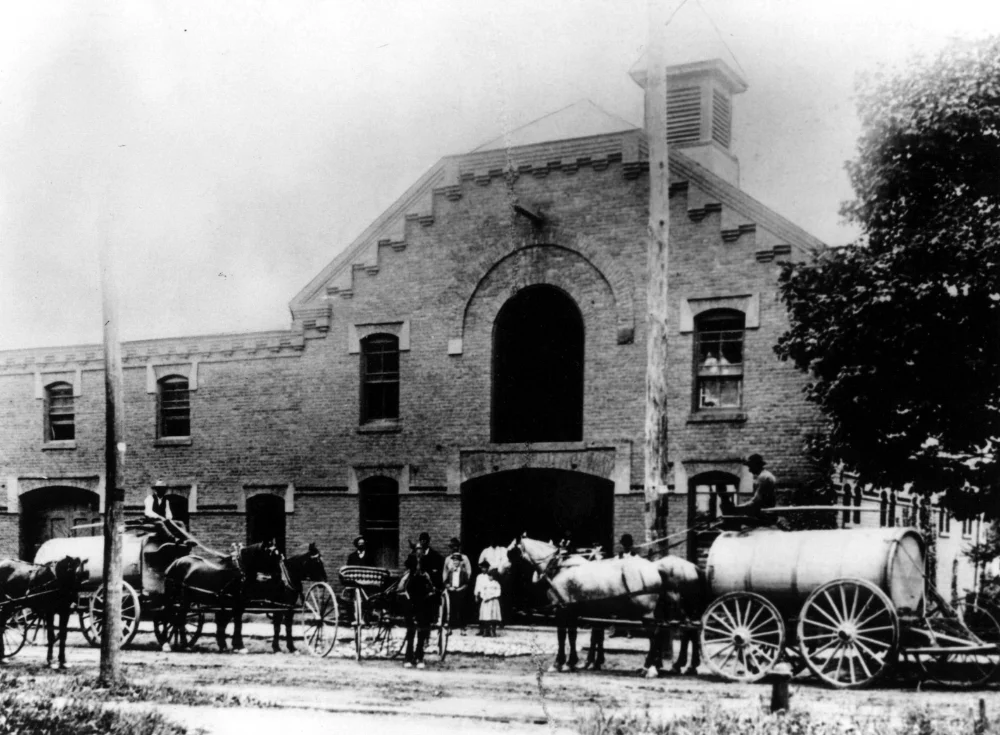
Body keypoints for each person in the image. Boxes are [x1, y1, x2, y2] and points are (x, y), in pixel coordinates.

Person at [718, 454, 777, 526]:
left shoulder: (764, 477)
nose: (749, 470)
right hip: (765, 512)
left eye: (750, 466)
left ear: (756, 465)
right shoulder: (765, 476)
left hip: (764, 515)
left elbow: (756, 502)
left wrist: (736, 509)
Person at [442, 537, 471, 633]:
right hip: (451, 587)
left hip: (461, 587)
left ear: (459, 547)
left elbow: (468, 572)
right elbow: (445, 573)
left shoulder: (464, 558)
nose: (454, 548)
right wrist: (447, 585)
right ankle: (451, 625)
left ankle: (463, 626)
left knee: (462, 607)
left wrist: (463, 585)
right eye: (452, 547)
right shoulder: (448, 559)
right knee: (451, 607)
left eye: (456, 546)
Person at [474, 560, 502, 637]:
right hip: (482, 596)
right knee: (482, 614)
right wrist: (476, 595)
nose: (483, 569)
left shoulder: (490, 577)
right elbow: (478, 586)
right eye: (482, 568)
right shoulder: (479, 576)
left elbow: (496, 590)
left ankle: (490, 631)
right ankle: (482, 630)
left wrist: (489, 597)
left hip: (490, 598)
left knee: (490, 614)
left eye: (485, 568)